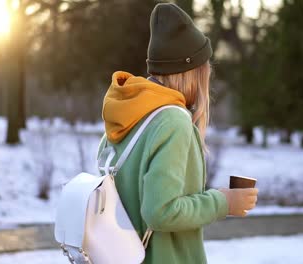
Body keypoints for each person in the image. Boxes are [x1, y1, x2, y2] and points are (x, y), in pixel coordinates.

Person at [97, 3, 258, 264]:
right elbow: (160, 212)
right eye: (205, 69)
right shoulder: (172, 121)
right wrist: (223, 202)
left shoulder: (128, 113)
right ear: (192, 72)